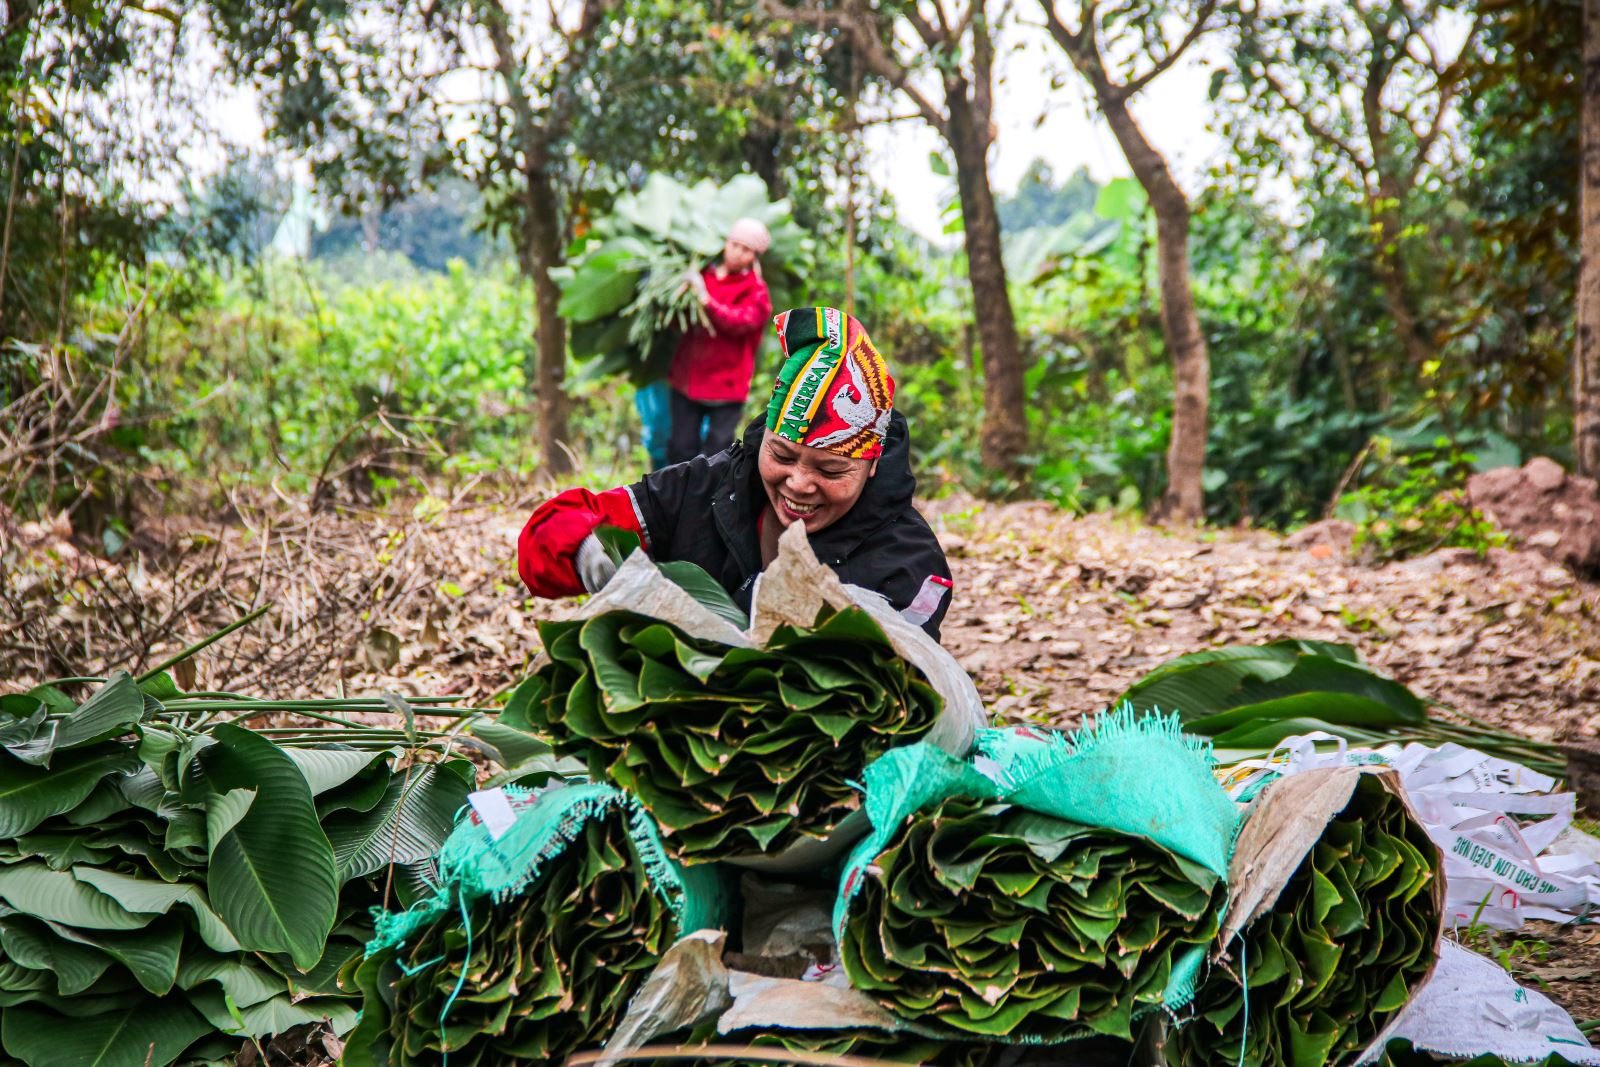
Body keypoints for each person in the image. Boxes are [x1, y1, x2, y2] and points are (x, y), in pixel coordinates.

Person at [518, 307, 955, 639]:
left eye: (830, 468)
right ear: (765, 436)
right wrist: (585, 551)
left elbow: (890, 693)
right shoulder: (711, 486)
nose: (799, 484)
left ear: (872, 464)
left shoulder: (908, 565)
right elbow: (551, 537)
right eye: (782, 456)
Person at [665, 218, 774, 464]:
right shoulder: (702, 275)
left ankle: (710, 501)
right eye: (734, 244)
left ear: (754, 256)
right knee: (681, 448)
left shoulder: (756, 291)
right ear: (725, 244)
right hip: (688, 380)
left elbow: (739, 322)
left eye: (746, 249)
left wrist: (706, 301)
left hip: (726, 385)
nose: (737, 252)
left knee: (717, 453)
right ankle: (676, 500)